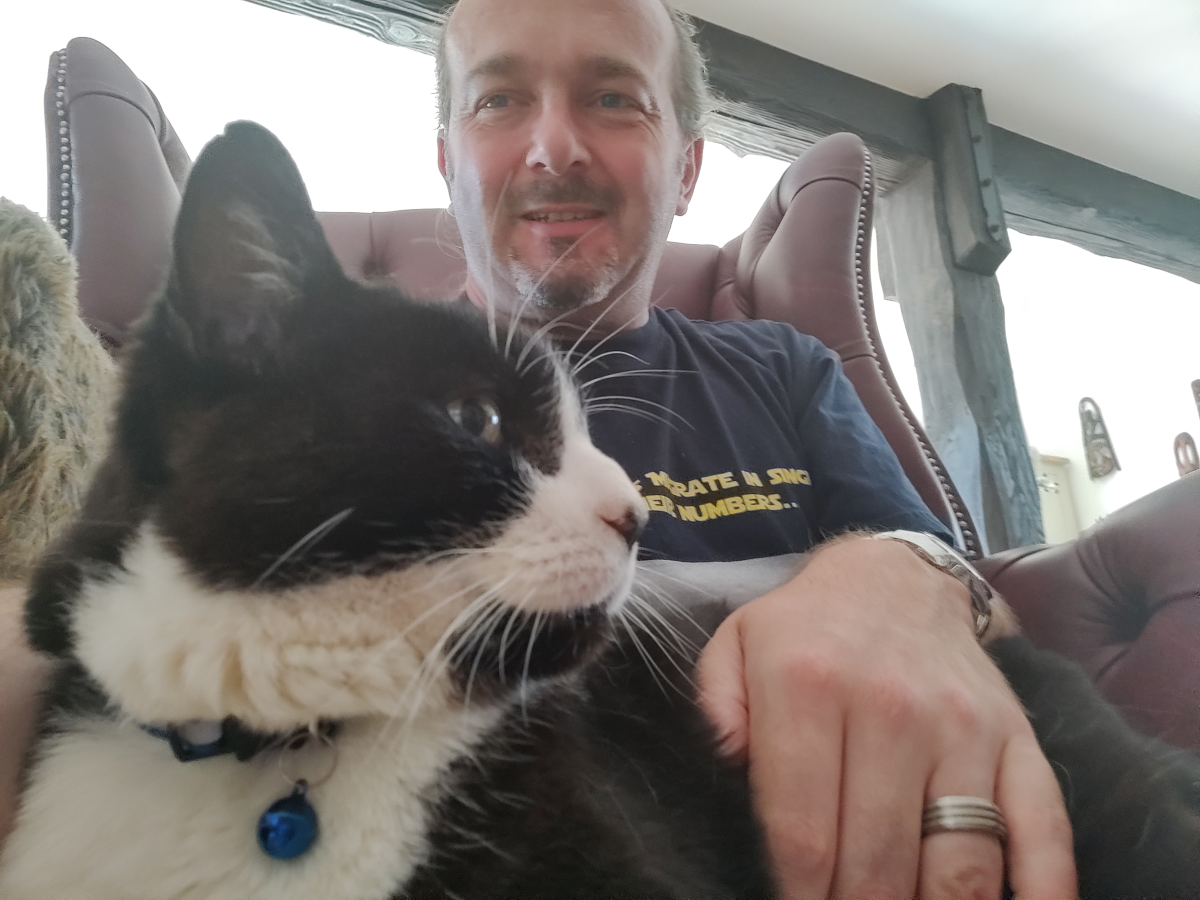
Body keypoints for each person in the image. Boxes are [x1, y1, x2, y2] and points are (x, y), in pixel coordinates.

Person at [0, 1, 1076, 897]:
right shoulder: (325, 379)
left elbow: (985, 597)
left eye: (613, 98)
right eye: (500, 99)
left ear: (687, 167)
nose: (554, 145)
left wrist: (895, 580)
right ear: (448, 159)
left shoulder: (780, 365)